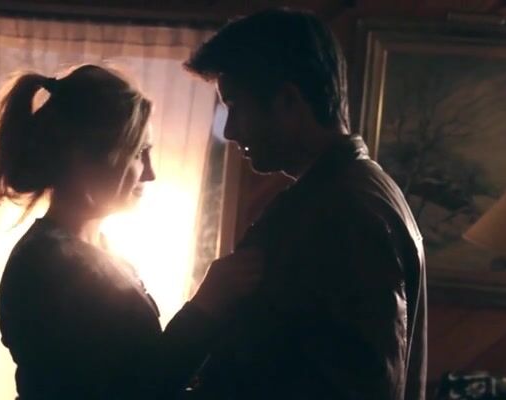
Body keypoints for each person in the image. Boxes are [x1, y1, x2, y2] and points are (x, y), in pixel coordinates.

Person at [183, 8, 427, 400]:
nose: (229, 130)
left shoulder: (342, 211)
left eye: (235, 106)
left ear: (288, 101)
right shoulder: (357, 193)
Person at [0, 64, 261, 399]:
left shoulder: (91, 251)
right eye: (139, 153)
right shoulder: (47, 266)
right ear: (84, 157)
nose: (150, 173)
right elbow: (132, 389)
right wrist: (206, 306)